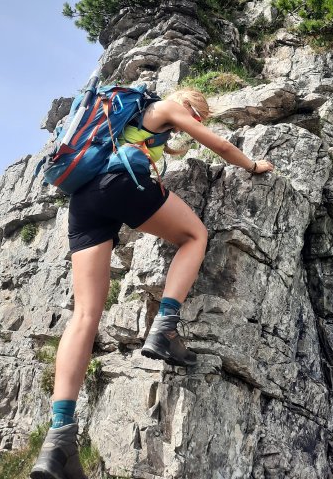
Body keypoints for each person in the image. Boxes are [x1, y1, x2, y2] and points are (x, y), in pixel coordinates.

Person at [30, 87, 274, 479]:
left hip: (84, 201)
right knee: (194, 236)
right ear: (189, 103)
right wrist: (253, 164)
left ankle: (58, 438)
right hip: (119, 184)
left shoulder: (125, 120)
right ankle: (165, 327)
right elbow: (220, 147)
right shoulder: (166, 107)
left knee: (85, 315)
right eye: (198, 115)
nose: (194, 122)